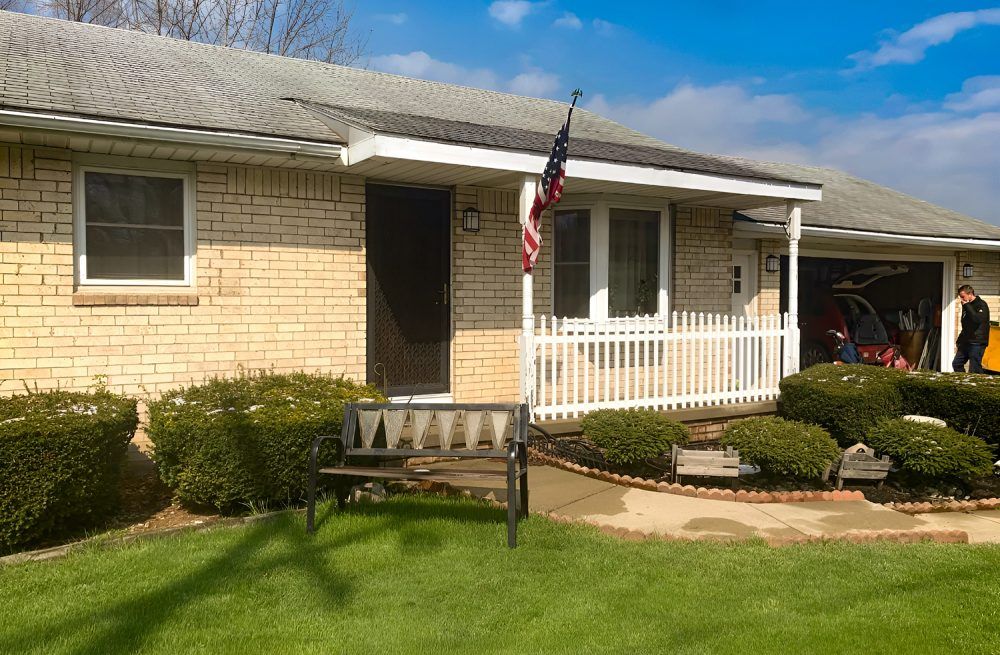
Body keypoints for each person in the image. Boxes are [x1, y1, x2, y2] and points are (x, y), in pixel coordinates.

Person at [953, 284, 990, 373]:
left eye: (963, 297)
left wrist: (967, 306)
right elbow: (966, 325)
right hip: (966, 341)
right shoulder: (967, 305)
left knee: (975, 368)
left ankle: (977, 385)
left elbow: (977, 320)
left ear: (970, 294)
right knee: (957, 363)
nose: (962, 299)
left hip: (977, 341)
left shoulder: (981, 304)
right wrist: (960, 340)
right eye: (960, 297)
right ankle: (963, 383)